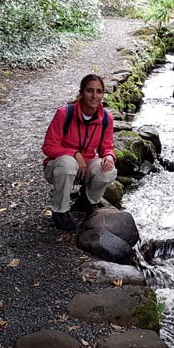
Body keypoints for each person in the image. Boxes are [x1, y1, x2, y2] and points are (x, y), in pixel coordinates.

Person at [42, 74, 117, 231]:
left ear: (103, 94)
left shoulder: (106, 119)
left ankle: (88, 201)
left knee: (108, 170)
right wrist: (75, 154)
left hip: (86, 167)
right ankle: (60, 211)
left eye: (99, 91)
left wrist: (109, 155)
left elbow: (107, 146)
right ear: (82, 92)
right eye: (90, 91)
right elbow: (48, 146)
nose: (94, 96)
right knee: (68, 163)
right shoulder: (65, 114)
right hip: (59, 167)